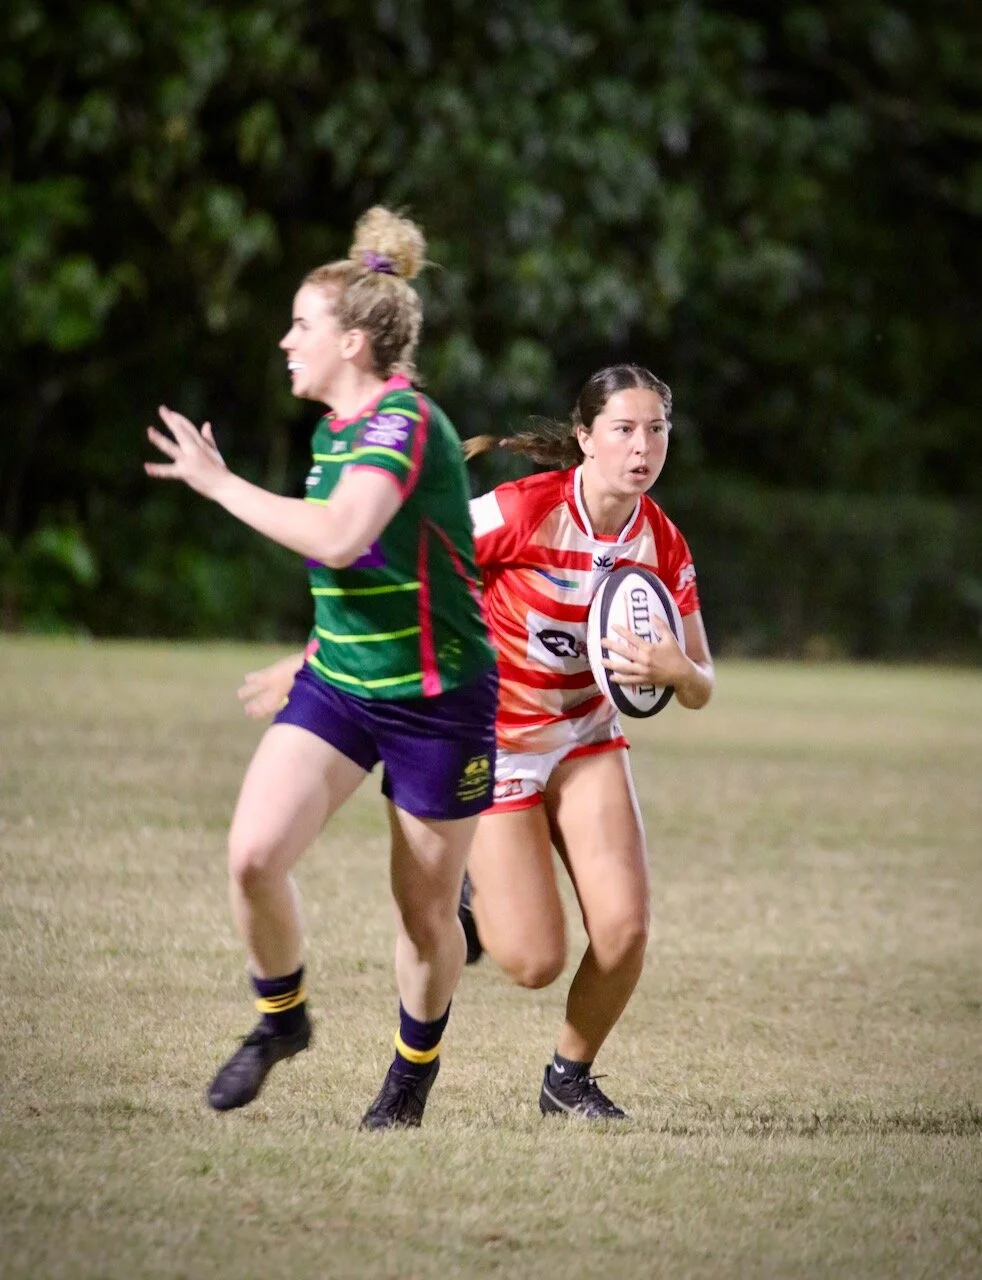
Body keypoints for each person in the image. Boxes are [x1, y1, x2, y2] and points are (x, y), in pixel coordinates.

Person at [243, 362, 714, 1120]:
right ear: (585, 437)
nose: (642, 447)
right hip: (494, 737)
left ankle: (569, 1079)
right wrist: (309, 658)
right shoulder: (524, 510)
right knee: (532, 961)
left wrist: (676, 668)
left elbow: (703, 682)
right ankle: (472, 892)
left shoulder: (662, 542)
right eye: (623, 429)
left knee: (625, 932)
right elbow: (412, 571)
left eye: (656, 430)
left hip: (587, 738)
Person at [145, 206, 498, 1130]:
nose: (284, 340)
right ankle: (282, 1017)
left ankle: (408, 1082)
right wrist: (303, 657)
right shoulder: (335, 435)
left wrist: (220, 484)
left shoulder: (404, 422)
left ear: (350, 340)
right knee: (253, 854)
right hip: (341, 687)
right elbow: (381, 574)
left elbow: (344, 538)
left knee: (424, 917)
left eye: (300, 325)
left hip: (438, 704)